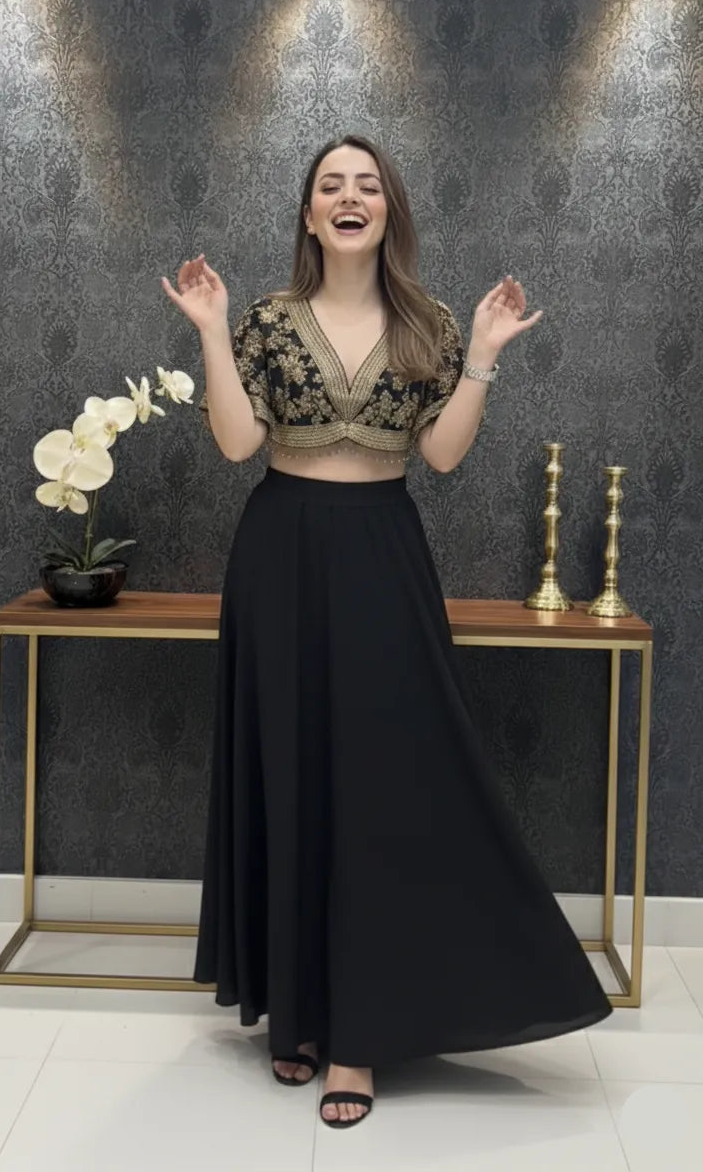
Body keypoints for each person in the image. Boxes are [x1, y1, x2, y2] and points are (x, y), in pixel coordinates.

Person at [161, 134, 612, 1130]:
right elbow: (237, 442)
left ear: (388, 210)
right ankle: (299, 1018)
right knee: (291, 772)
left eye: (367, 184)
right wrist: (211, 329)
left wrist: (483, 357)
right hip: (279, 557)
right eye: (331, 185)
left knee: (377, 788)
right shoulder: (266, 320)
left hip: (381, 557)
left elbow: (441, 455)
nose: (349, 196)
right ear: (310, 215)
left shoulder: (431, 324)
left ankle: (358, 1039)